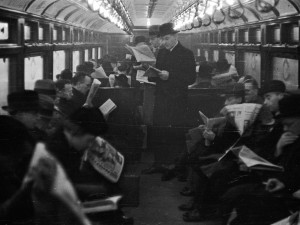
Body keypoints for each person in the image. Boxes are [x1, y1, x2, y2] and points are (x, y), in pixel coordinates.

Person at [220, 93, 300, 225]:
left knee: (243, 201)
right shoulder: (289, 134)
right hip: (279, 183)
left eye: (289, 124)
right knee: (233, 195)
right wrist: (278, 149)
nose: (285, 129)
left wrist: (285, 183)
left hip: (288, 194)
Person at [144, 23, 196, 174]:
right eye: (162, 39)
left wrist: (170, 76)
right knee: (159, 131)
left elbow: (191, 78)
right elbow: (159, 74)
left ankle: (174, 166)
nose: (164, 42)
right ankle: (158, 163)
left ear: (175, 37)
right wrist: (150, 73)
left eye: (167, 39)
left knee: (174, 134)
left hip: (177, 101)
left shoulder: (187, 53)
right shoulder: (162, 53)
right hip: (161, 99)